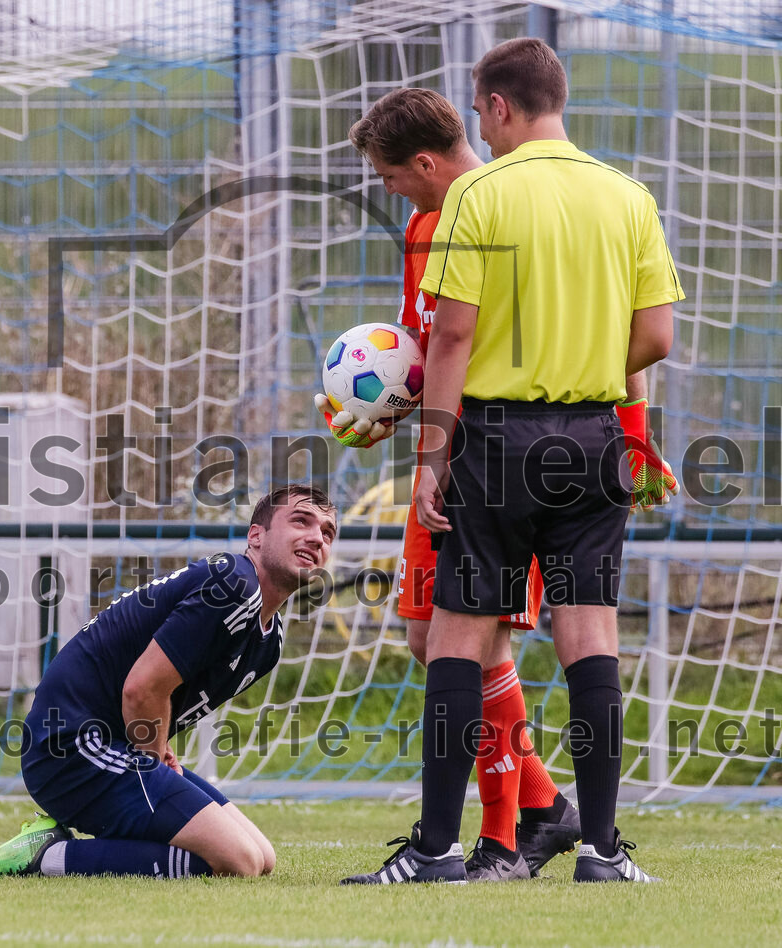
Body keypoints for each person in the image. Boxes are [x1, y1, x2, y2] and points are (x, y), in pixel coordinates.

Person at [344, 38, 683, 886]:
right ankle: (603, 852)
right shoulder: (627, 196)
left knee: (456, 637)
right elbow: (657, 339)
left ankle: (437, 851)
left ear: (497, 107)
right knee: (590, 641)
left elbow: (452, 335)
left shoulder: (479, 196)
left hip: (497, 442)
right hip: (596, 437)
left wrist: (432, 454)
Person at [319, 88, 582, 882]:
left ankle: (504, 842)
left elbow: (478, 340)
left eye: (391, 176)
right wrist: (385, 404)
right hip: (446, 454)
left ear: (425, 163)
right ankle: (542, 807)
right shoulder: (422, 226)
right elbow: (428, 345)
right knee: (430, 638)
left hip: (502, 455)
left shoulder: (494, 212)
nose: (389, 189)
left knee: (474, 635)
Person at [0, 484, 337, 880]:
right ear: (256, 536)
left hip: (116, 741)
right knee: (238, 861)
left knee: (262, 857)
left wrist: (159, 749)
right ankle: (46, 856)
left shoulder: (269, 640)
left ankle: (69, 848)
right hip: (69, 746)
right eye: (301, 521)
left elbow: (163, 690)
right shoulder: (234, 586)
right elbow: (141, 689)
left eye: (327, 532)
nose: (316, 537)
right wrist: (153, 757)